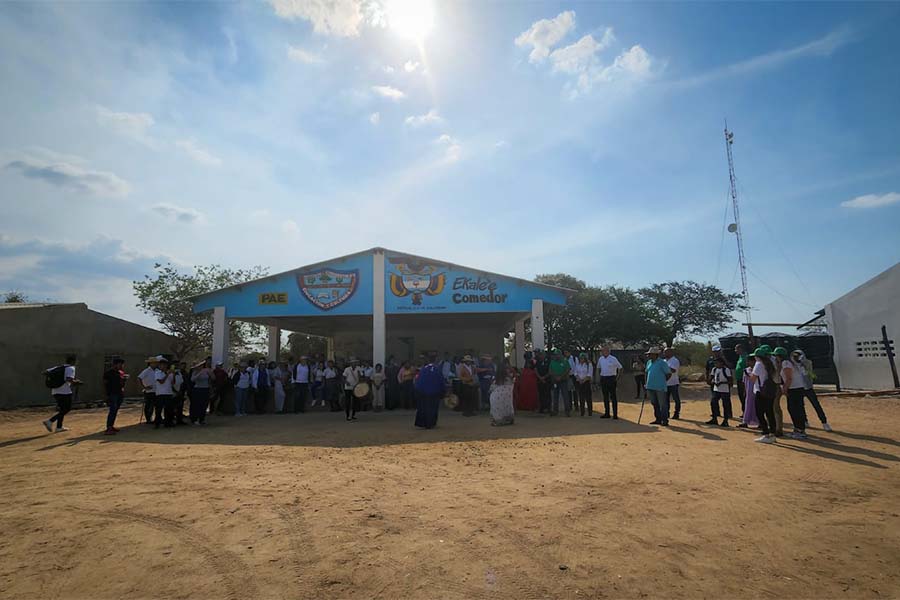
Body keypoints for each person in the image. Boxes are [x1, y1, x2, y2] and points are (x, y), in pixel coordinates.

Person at [793, 350, 832, 431]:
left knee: (816, 405)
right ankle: (805, 421)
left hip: (808, 387)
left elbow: (810, 374)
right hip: (799, 388)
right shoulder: (793, 364)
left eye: (798, 356)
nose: (796, 358)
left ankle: (824, 422)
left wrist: (803, 365)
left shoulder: (808, 363)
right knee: (801, 406)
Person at [777, 347, 808, 440]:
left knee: (794, 409)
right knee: (797, 408)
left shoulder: (785, 363)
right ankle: (798, 429)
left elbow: (789, 378)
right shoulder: (791, 362)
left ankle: (800, 430)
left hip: (794, 388)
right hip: (798, 388)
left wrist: (785, 388)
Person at [749, 346, 778, 444]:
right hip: (770, 390)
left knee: (760, 413)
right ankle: (773, 434)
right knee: (770, 412)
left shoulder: (758, 364)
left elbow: (753, 379)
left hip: (761, 391)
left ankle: (766, 433)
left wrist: (749, 372)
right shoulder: (772, 362)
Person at [414, 354, 444, 429]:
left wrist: (418, 390)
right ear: (435, 360)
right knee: (433, 408)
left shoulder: (423, 369)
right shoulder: (437, 369)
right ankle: (431, 423)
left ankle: (423, 423)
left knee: (424, 408)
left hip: (423, 393)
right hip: (434, 393)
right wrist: (443, 391)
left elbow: (418, 381)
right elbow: (441, 381)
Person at [645, 348, 672, 426]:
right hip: (650, 386)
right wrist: (646, 383)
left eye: (650, 354)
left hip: (660, 387)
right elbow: (646, 372)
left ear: (655, 355)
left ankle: (665, 420)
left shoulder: (662, 363)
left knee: (662, 404)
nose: (648, 355)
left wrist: (663, 381)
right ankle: (658, 419)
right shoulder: (649, 362)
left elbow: (668, 374)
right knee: (654, 403)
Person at [596, 347, 623, 419]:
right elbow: (598, 368)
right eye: (602, 351)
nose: (603, 352)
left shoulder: (613, 359)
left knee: (613, 397)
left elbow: (620, 368)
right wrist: (599, 377)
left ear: (608, 351)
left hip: (611, 378)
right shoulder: (600, 359)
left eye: (604, 351)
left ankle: (615, 414)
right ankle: (607, 413)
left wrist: (617, 378)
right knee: (605, 397)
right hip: (603, 378)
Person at [102, 357, 127, 435]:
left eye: (122, 364)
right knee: (112, 410)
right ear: (115, 364)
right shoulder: (108, 373)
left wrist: (124, 380)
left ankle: (111, 426)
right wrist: (106, 395)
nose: (122, 366)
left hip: (119, 393)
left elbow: (122, 384)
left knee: (115, 410)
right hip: (112, 394)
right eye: (120, 364)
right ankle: (109, 428)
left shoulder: (121, 373)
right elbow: (105, 384)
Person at [707, 356, 733, 427]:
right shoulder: (714, 369)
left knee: (725, 405)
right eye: (715, 363)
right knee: (713, 403)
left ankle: (725, 420)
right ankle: (714, 418)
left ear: (721, 363)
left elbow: (730, 381)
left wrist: (722, 383)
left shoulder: (726, 370)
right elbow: (711, 377)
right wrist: (710, 381)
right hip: (716, 389)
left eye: (717, 363)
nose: (716, 364)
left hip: (724, 390)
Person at [190, 358, 213, 425]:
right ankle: (195, 419)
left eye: (202, 365)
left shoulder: (206, 371)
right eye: (199, 365)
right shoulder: (195, 372)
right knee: (197, 405)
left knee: (204, 405)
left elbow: (212, 378)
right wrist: (200, 373)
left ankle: (201, 419)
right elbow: (192, 380)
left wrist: (210, 373)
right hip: (198, 389)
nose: (201, 366)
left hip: (205, 389)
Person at [154, 358, 176, 428]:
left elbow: (173, 383)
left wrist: (174, 374)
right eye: (161, 365)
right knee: (158, 409)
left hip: (168, 393)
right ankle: (157, 423)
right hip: (160, 393)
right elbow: (161, 381)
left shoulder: (169, 372)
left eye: (164, 365)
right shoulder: (157, 372)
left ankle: (168, 423)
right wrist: (167, 374)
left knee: (169, 409)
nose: (162, 366)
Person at [738, 356, 759, 428]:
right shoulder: (746, 370)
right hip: (748, 392)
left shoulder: (757, 370)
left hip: (756, 391)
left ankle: (759, 422)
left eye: (749, 361)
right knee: (747, 406)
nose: (748, 363)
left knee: (757, 407)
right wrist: (744, 390)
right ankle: (745, 421)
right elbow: (744, 382)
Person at [548, 350, 571, 416]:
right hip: (555, 381)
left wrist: (561, 376)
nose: (556, 356)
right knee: (555, 396)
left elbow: (567, 369)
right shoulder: (552, 362)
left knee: (565, 395)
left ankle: (567, 411)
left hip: (563, 380)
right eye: (555, 355)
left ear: (561, 355)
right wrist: (555, 377)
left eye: (558, 354)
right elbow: (550, 371)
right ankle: (555, 411)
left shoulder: (565, 361)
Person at [138, 357, 159, 424]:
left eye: (156, 363)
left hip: (157, 391)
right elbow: (139, 378)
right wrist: (144, 387)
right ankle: (148, 419)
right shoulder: (146, 371)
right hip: (149, 391)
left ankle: (156, 418)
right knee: (149, 406)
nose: (156, 364)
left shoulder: (157, 370)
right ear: (151, 363)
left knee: (157, 406)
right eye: (154, 363)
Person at [664, 347, 682, 420]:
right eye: (664, 352)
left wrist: (665, 367)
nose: (664, 353)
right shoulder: (664, 361)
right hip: (665, 383)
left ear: (671, 352)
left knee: (676, 399)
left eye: (666, 352)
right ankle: (666, 413)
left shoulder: (675, 360)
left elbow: (673, 370)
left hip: (673, 382)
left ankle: (676, 413)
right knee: (665, 399)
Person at [734, 344, 749, 416]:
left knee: (744, 396)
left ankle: (746, 412)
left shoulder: (746, 357)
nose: (735, 351)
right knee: (741, 396)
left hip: (743, 380)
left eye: (736, 349)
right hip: (739, 379)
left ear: (741, 349)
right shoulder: (740, 357)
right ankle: (744, 411)